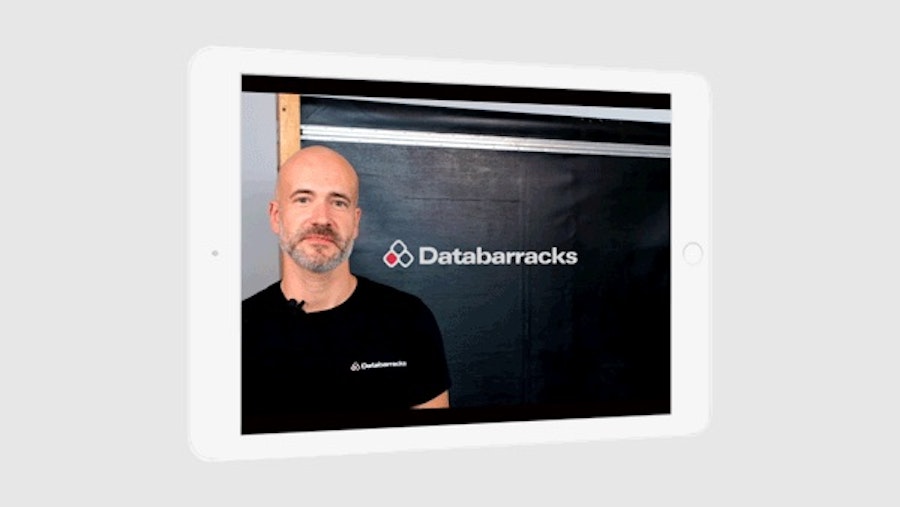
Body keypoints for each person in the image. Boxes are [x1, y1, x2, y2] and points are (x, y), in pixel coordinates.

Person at [241, 145, 451, 432]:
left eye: (338, 202)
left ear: (356, 221)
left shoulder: (409, 320)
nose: (322, 218)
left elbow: (434, 444)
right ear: (276, 216)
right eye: (303, 199)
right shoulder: (236, 331)